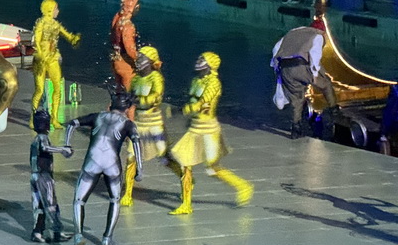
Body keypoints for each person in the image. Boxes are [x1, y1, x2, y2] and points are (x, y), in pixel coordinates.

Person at [167, 52, 253, 215]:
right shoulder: (196, 80)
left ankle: (243, 186)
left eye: (202, 60)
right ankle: (186, 203)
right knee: (185, 165)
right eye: (199, 58)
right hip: (195, 127)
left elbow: (203, 103)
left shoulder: (214, 82)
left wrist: (182, 110)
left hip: (208, 129)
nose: (199, 62)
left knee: (212, 168)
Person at [62, 91, 142, 245]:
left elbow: (72, 124)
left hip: (92, 161)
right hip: (112, 164)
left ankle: (78, 235)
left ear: (111, 104)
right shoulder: (127, 124)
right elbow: (137, 143)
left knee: (79, 200)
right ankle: (107, 238)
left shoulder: (97, 116)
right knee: (114, 199)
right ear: (127, 108)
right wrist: (139, 168)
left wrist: (67, 145)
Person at [271, 25, 339, 139]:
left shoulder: (292, 32)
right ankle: (334, 110)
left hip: (284, 68)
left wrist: (277, 70)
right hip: (300, 66)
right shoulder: (317, 35)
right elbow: (315, 54)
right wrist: (315, 74)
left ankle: (296, 129)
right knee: (326, 84)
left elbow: (276, 49)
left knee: (297, 99)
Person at [121, 46, 165, 206]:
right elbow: (130, 96)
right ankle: (128, 193)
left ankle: (186, 184)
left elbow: (156, 97)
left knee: (164, 157)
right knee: (130, 157)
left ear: (150, 61)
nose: (137, 61)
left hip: (154, 123)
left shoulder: (156, 78)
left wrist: (140, 100)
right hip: (139, 122)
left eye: (141, 58)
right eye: (137, 58)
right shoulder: (136, 79)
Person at [30, 0, 81, 127]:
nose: (57, 11)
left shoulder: (56, 24)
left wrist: (74, 39)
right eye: (56, 8)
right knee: (40, 90)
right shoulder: (41, 23)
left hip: (53, 58)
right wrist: (40, 54)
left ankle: (54, 118)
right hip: (41, 59)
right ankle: (33, 118)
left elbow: (68, 36)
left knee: (57, 88)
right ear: (50, 9)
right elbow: (36, 39)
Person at [29, 107, 73, 243]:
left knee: (40, 206)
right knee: (51, 204)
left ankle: (37, 231)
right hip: (43, 176)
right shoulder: (42, 138)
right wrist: (62, 149)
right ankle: (57, 231)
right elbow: (45, 148)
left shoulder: (36, 139)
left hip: (35, 176)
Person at [110, 0, 140, 94]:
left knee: (119, 94)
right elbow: (129, 50)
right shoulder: (128, 26)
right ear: (136, 7)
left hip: (115, 60)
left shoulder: (117, 18)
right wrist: (144, 59)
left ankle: (113, 109)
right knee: (130, 96)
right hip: (125, 64)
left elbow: (112, 38)